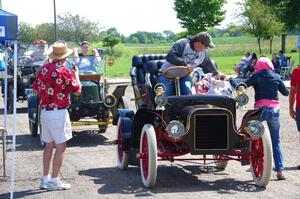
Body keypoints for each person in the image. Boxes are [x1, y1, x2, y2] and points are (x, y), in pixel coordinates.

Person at [229, 57, 289, 180]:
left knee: (251, 135)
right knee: (276, 141)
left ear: (258, 66)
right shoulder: (276, 76)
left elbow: (242, 86)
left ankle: (252, 161)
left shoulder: (256, 76)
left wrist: (231, 80)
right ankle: (280, 171)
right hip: (274, 110)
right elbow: (286, 93)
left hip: (259, 111)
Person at [33, 41, 81, 190]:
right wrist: (76, 75)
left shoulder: (43, 69)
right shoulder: (65, 71)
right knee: (60, 147)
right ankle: (54, 180)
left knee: (48, 146)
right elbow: (77, 90)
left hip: (45, 112)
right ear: (64, 57)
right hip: (58, 113)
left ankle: (45, 178)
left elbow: (35, 90)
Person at [158, 32, 220, 96]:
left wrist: (216, 74)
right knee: (166, 95)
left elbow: (208, 64)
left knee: (188, 94)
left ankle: (185, 105)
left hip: (184, 76)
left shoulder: (203, 54)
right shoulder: (183, 44)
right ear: (198, 43)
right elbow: (170, 56)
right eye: (206, 46)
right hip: (167, 75)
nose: (206, 48)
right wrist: (185, 64)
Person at [289, 65, 300, 170]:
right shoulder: (296, 71)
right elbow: (293, 91)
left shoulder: (297, 71)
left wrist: (291, 108)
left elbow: (293, 91)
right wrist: (291, 107)